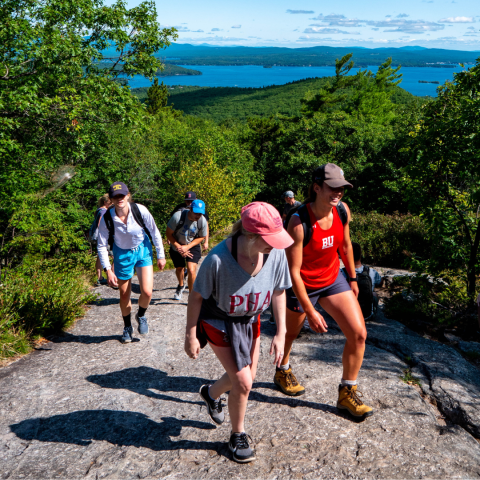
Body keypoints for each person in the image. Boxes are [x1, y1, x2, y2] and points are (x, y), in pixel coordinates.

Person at [184, 202, 293, 463]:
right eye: (270, 239)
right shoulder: (218, 259)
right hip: (219, 320)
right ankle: (237, 435)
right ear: (250, 235)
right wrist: (190, 334)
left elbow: (279, 290)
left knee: (244, 379)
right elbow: (196, 296)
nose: (276, 245)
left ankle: (210, 394)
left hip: (250, 319)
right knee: (244, 382)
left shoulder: (275, 253)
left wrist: (281, 332)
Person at [276, 163, 373, 420]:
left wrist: (352, 277)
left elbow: (346, 245)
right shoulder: (298, 222)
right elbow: (292, 271)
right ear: (317, 188)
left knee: (359, 334)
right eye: (332, 188)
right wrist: (310, 310)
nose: (338, 193)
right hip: (302, 284)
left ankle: (346, 392)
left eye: (342, 188)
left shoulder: (342, 211)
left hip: (332, 279)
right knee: (290, 333)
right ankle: (282, 368)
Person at [97, 182, 166, 343]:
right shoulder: (107, 218)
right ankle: (127, 327)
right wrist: (108, 269)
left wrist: (161, 255)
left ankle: (141, 315)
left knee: (147, 292)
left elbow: (155, 232)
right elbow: (101, 245)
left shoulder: (139, 210)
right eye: (116, 196)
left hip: (142, 249)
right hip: (122, 254)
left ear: (128, 195)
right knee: (124, 294)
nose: (119, 199)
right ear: (111, 199)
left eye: (122, 195)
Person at [166, 199, 208, 301]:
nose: (198, 215)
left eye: (200, 213)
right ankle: (181, 285)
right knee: (180, 268)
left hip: (192, 244)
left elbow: (202, 237)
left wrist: (187, 247)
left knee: (191, 270)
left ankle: (192, 297)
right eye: (196, 213)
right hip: (176, 243)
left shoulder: (202, 221)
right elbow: (168, 233)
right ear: (190, 209)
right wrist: (178, 247)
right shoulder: (178, 216)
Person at [342, 242, 383, 320]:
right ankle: (371, 312)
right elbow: (380, 282)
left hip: (346, 317)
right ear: (360, 254)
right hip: (367, 315)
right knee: (374, 294)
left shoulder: (342, 273)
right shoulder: (371, 272)